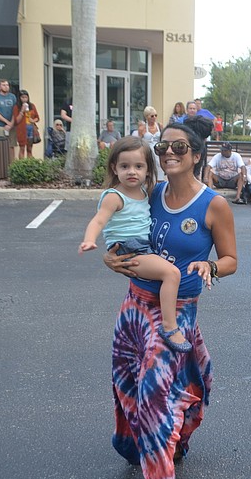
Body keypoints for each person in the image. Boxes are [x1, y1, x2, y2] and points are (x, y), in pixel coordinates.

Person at [103, 122, 237, 479]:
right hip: (133, 308)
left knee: (156, 394)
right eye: (163, 146)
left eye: (181, 147)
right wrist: (109, 259)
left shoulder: (214, 204)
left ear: (196, 155)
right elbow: (120, 230)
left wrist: (210, 267)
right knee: (127, 384)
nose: (169, 153)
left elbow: (231, 260)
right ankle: (154, 445)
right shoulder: (151, 191)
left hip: (176, 315)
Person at [80, 136, 190, 354]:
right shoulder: (114, 196)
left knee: (167, 274)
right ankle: (169, 327)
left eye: (138, 166)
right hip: (129, 249)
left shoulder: (143, 192)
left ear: (148, 170)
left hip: (141, 247)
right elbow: (99, 220)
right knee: (172, 274)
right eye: (125, 166)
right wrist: (89, 240)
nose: (132, 171)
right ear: (114, 168)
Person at [0, 79, 17, 160]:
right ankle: (2, 166)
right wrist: (6, 122)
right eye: (4, 85)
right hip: (0, 126)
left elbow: (15, 111)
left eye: (7, 85)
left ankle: (12, 165)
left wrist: (11, 124)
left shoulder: (12, 96)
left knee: (11, 146)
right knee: (0, 147)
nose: (6, 87)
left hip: (11, 127)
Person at [12, 90, 40, 159]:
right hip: (22, 129)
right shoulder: (16, 107)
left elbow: (37, 118)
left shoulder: (32, 106)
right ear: (19, 98)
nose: (24, 99)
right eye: (22, 97)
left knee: (29, 148)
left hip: (31, 128)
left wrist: (33, 120)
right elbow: (16, 121)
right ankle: (22, 165)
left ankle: (30, 164)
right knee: (22, 148)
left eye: (26, 97)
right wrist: (22, 110)